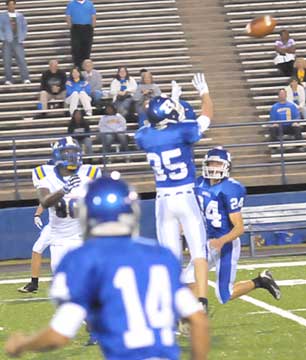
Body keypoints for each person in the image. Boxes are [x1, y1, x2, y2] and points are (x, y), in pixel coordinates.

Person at [5, 176, 209, 360]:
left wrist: (23, 344)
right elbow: (198, 320)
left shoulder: (82, 259)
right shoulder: (161, 255)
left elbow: (59, 335)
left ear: (87, 215)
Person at [135, 73, 213, 312]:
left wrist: (173, 105)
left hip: (163, 200)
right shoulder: (182, 131)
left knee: (170, 257)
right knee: (198, 250)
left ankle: (173, 307)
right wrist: (204, 93)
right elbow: (207, 116)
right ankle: (200, 301)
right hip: (186, 196)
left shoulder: (144, 136)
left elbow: (151, 124)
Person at [183, 147, 281, 304]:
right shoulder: (198, 184)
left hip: (226, 243)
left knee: (224, 295)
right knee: (186, 280)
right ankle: (194, 317)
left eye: (217, 164)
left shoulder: (231, 189)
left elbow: (239, 228)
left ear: (226, 166)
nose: (213, 168)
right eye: (211, 163)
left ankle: (261, 281)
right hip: (207, 241)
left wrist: (221, 241)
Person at [30, 136, 101, 273]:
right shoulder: (45, 174)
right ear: (57, 154)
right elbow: (45, 201)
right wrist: (63, 190)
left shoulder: (90, 173)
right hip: (59, 240)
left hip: (83, 237)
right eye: (66, 152)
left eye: (74, 152)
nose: (72, 156)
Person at [18, 204, 51, 293]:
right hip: (54, 227)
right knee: (37, 248)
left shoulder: (80, 191)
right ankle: (34, 283)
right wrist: (37, 215)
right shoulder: (55, 190)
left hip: (73, 229)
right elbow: (45, 200)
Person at [0, 0, 30, 84]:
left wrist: (22, 37)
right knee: (7, 60)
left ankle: (25, 78)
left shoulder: (20, 15)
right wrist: (3, 38)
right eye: (10, 5)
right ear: (7, 6)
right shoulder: (2, 16)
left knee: (21, 59)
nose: (11, 6)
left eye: (13, 4)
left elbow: (24, 26)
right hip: (7, 41)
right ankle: (8, 79)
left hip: (17, 40)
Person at [66, 0, 96, 68]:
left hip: (87, 28)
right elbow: (68, 16)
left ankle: (86, 68)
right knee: (76, 49)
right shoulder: (71, 4)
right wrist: (71, 28)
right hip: (76, 28)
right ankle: (77, 67)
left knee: (87, 49)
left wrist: (92, 27)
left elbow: (93, 16)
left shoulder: (89, 3)